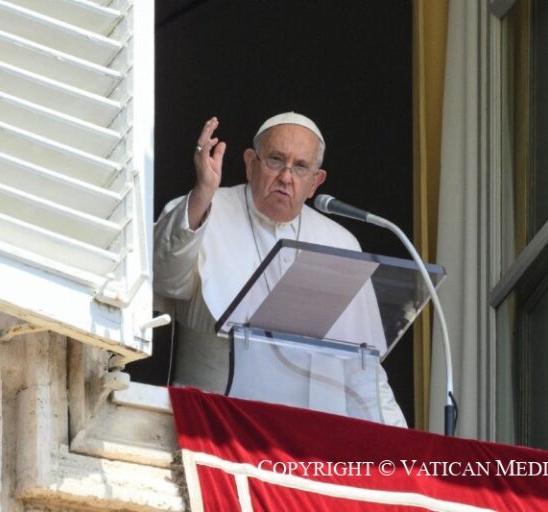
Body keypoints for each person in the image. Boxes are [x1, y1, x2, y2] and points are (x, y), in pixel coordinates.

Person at [153, 112, 407, 427]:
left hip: (310, 437)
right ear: (250, 163)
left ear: (316, 182)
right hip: (215, 424)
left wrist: (400, 443)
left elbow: (361, 363)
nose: (286, 177)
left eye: (300, 167)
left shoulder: (341, 243)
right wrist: (203, 192)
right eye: (275, 160)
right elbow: (165, 279)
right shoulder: (204, 210)